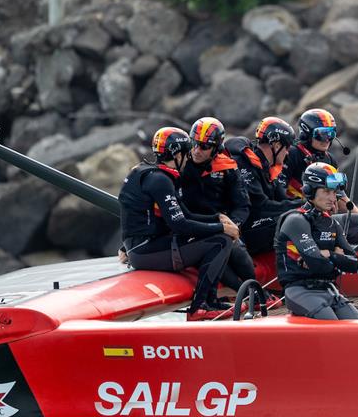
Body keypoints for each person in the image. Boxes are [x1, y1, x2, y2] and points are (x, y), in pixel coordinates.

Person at [118, 127, 239, 321]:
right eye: (186, 152)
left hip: (143, 247)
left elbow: (186, 214)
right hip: (145, 251)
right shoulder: (160, 180)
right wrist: (222, 228)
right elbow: (180, 225)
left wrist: (218, 219)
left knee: (220, 234)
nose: (189, 156)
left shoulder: (151, 172)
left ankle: (211, 301)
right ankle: (199, 307)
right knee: (221, 241)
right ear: (177, 154)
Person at [274, 162, 358, 320]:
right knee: (333, 327)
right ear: (309, 191)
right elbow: (318, 264)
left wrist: (328, 255)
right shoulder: (296, 220)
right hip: (300, 291)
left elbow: (354, 263)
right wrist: (335, 257)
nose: (333, 198)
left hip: (329, 290)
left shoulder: (332, 223)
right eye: (326, 191)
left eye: (334, 192)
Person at [181, 116, 257, 295]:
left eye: (205, 146)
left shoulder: (227, 167)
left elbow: (242, 205)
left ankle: (257, 293)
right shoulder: (180, 163)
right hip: (189, 225)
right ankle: (247, 294)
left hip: (221, 225)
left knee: (237, 252)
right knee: (218, 252)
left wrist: (233, 225)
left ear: (216, 148)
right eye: (194, 143)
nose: (197, 150)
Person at [282, 108, 358, 244]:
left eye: (332, 134)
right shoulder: (291, 154)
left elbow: (340, 196)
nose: (327, 139)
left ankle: (348, 259)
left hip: (322, 217)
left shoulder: (330, 160)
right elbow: (278, 193)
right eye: (322, 134)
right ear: (306, 133)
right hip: (297, 216)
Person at [225, 116, 303, 255]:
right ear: (277, 145)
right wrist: (303, 207)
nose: (288, 152)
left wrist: (310, 204)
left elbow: (282, 199)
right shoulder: (244, 163)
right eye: (287, 147)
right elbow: (261, 206)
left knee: (302, 215)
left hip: (256, 223)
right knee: (292, 220)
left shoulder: (268, 167)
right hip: (241, 229)